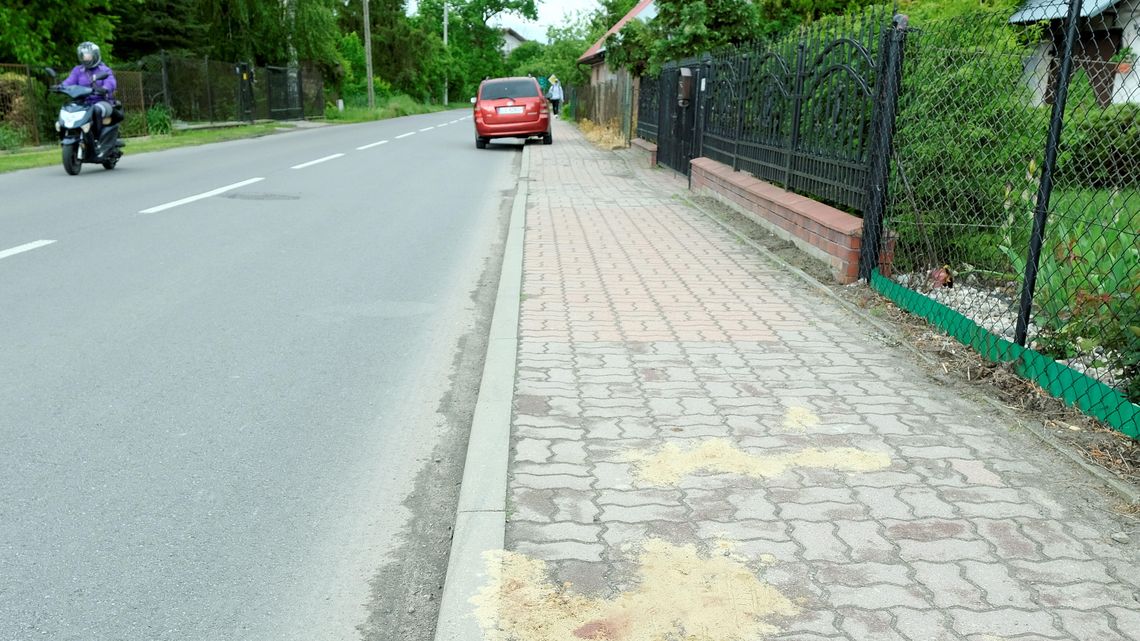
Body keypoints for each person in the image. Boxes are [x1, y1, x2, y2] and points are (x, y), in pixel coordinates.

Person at [62, 42, 117, 128]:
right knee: (68, 109)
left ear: (95, 55)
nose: (85, 58)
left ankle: (98, 138)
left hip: (102, 101)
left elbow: (111, 82)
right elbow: (69, 81)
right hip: (82, 103)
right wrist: (61, 86)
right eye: (83, 55)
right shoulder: (78, 70)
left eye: (88, 55)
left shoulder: (104, 70)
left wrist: (105, 88)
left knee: (96, 110)